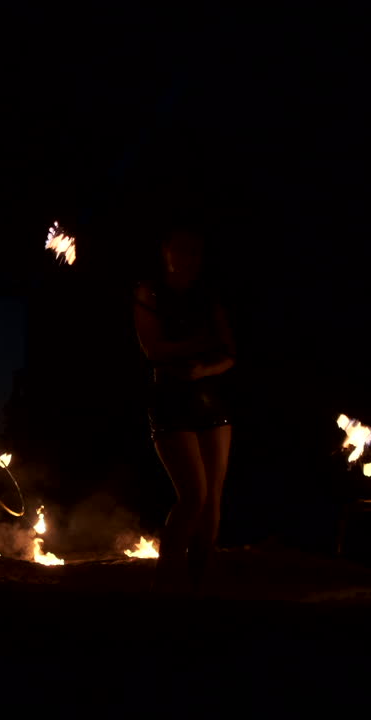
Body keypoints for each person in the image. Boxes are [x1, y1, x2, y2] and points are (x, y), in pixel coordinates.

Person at [132, 227, 235, 592]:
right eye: (181, 248)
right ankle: (167, 579)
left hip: (210, 398)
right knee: (194, 493)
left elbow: (228, 351)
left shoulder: (208, 296)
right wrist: (196, 346)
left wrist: (203, 368)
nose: (188, 256)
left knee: (213, 497)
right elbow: (154, 350)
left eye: (195, 250)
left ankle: (199, 580)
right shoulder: (150, 292)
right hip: (171, 401)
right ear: (166, 251)